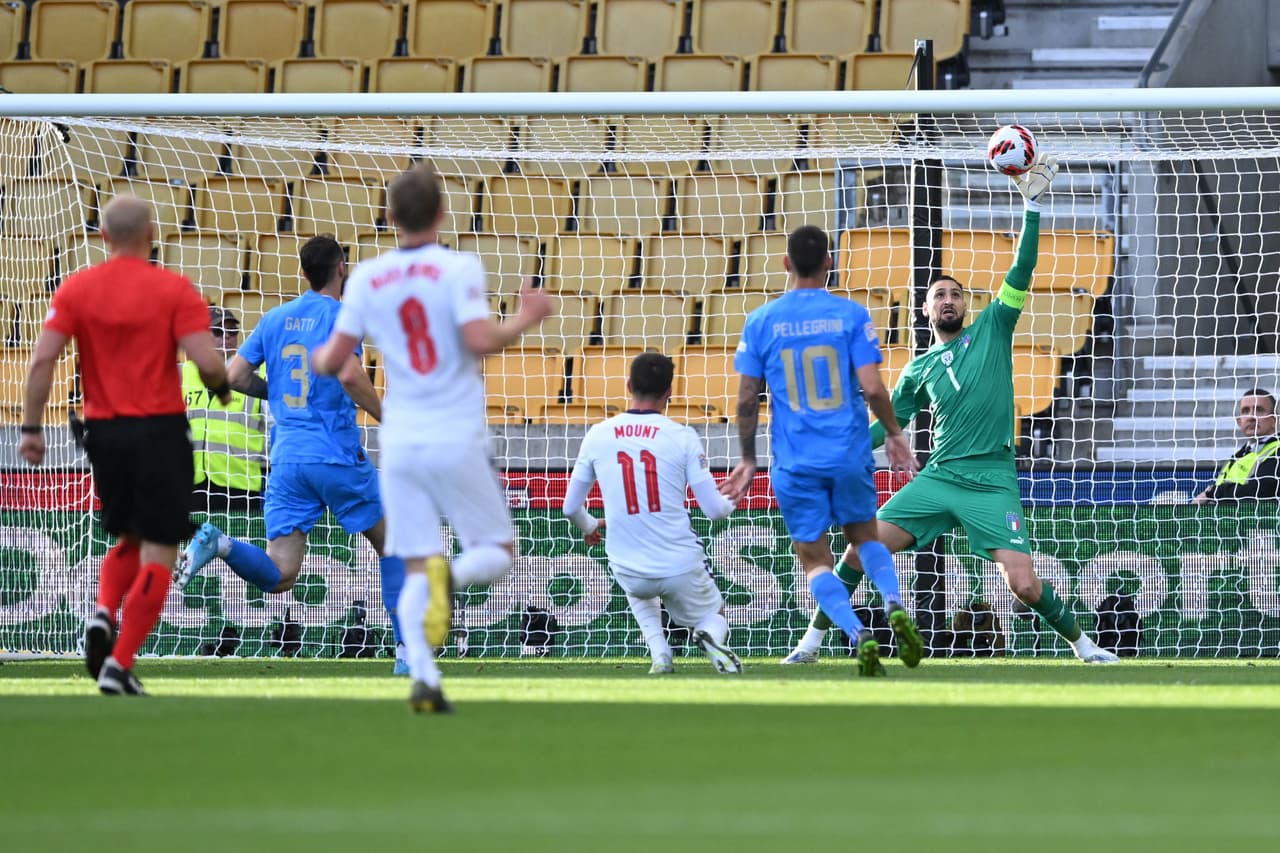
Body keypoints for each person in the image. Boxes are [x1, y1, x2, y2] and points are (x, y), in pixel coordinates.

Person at [780, 153, 1121, 666]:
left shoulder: (993, 328)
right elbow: (889, 422)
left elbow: (1023, 268)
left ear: (967, 306)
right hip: (939, 478)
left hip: (991, 478)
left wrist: (1031, 206)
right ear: (925, 308)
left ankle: (1084, 645)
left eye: (956, 295)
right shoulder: (918, 368)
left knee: (1024, 585)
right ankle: (811, 643)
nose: (948, 300)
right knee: (856, 549)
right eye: (938, 295)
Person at [312, 164, 553, 713]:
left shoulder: (368, 277)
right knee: (495, 552)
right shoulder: (456, 267)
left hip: (398, 438)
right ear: (444, 214)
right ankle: (450, 587)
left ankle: (424, 675)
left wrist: (322, 359)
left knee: (415, 559)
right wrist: (524, 318)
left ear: (390, 217)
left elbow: (331, 358)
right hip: (454, 431)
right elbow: (478, 339)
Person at [18, 195, 233, 695]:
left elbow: (43, 359)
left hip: (104, 435)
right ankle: (119, 663)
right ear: (152, 234)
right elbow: (207, 359)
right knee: (159, 549)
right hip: (159, 432)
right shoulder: (173, 289)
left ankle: (100, 613)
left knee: (128, 540)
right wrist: (221, 387)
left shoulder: (77, 288)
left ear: (104, 237)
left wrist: (31, 430)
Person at [175, 235, 410, 675]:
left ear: (303, 273)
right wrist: (386, 417)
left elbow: (235, 376)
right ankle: (405, 654)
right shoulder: (343, 317)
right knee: (394, 545)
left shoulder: (274, 318)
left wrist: (278, 393)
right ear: (343, 268)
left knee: (281, 574)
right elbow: (350, 374)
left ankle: (220, 542)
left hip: (286, 462)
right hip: (334, 455)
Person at [722, 224, 924, 677]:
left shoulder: (761, 321)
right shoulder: (851, 315)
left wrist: (748, 457)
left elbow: (745, 397)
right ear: (829, 263)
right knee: (865, 539)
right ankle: (893, 602)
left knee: (815, 560)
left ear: (786, 264)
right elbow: (872, 387)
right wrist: (893, 433)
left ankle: (857, 634)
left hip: (795, 461)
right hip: (849, 451)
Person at [562, 352, 743, 675]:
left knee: (639, 588)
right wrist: (734, 498)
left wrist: (590, 525)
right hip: (679, 564)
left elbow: (569, 507)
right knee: (714, 612)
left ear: (629, 385)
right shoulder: (682, 436)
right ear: (670, 392)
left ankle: (661, 656)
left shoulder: (598, 434)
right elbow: (714, 511)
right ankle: (710, 635)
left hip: (628, 567)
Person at [181, 306, 267, 513]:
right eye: (218, 332)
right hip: (190, 483)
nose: (226, 337)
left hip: (240, 485)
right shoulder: (182, 375)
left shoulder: (256, 376)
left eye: (232, 332)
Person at [1191, 388, 1280, 504]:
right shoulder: (1238, 456)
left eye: (1259, 410)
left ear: (1275, 420)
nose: (1251, 417)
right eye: (1245, 411)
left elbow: (1261, 489)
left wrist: (1211, 493)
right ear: (1239, 421)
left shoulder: (1277, 450)